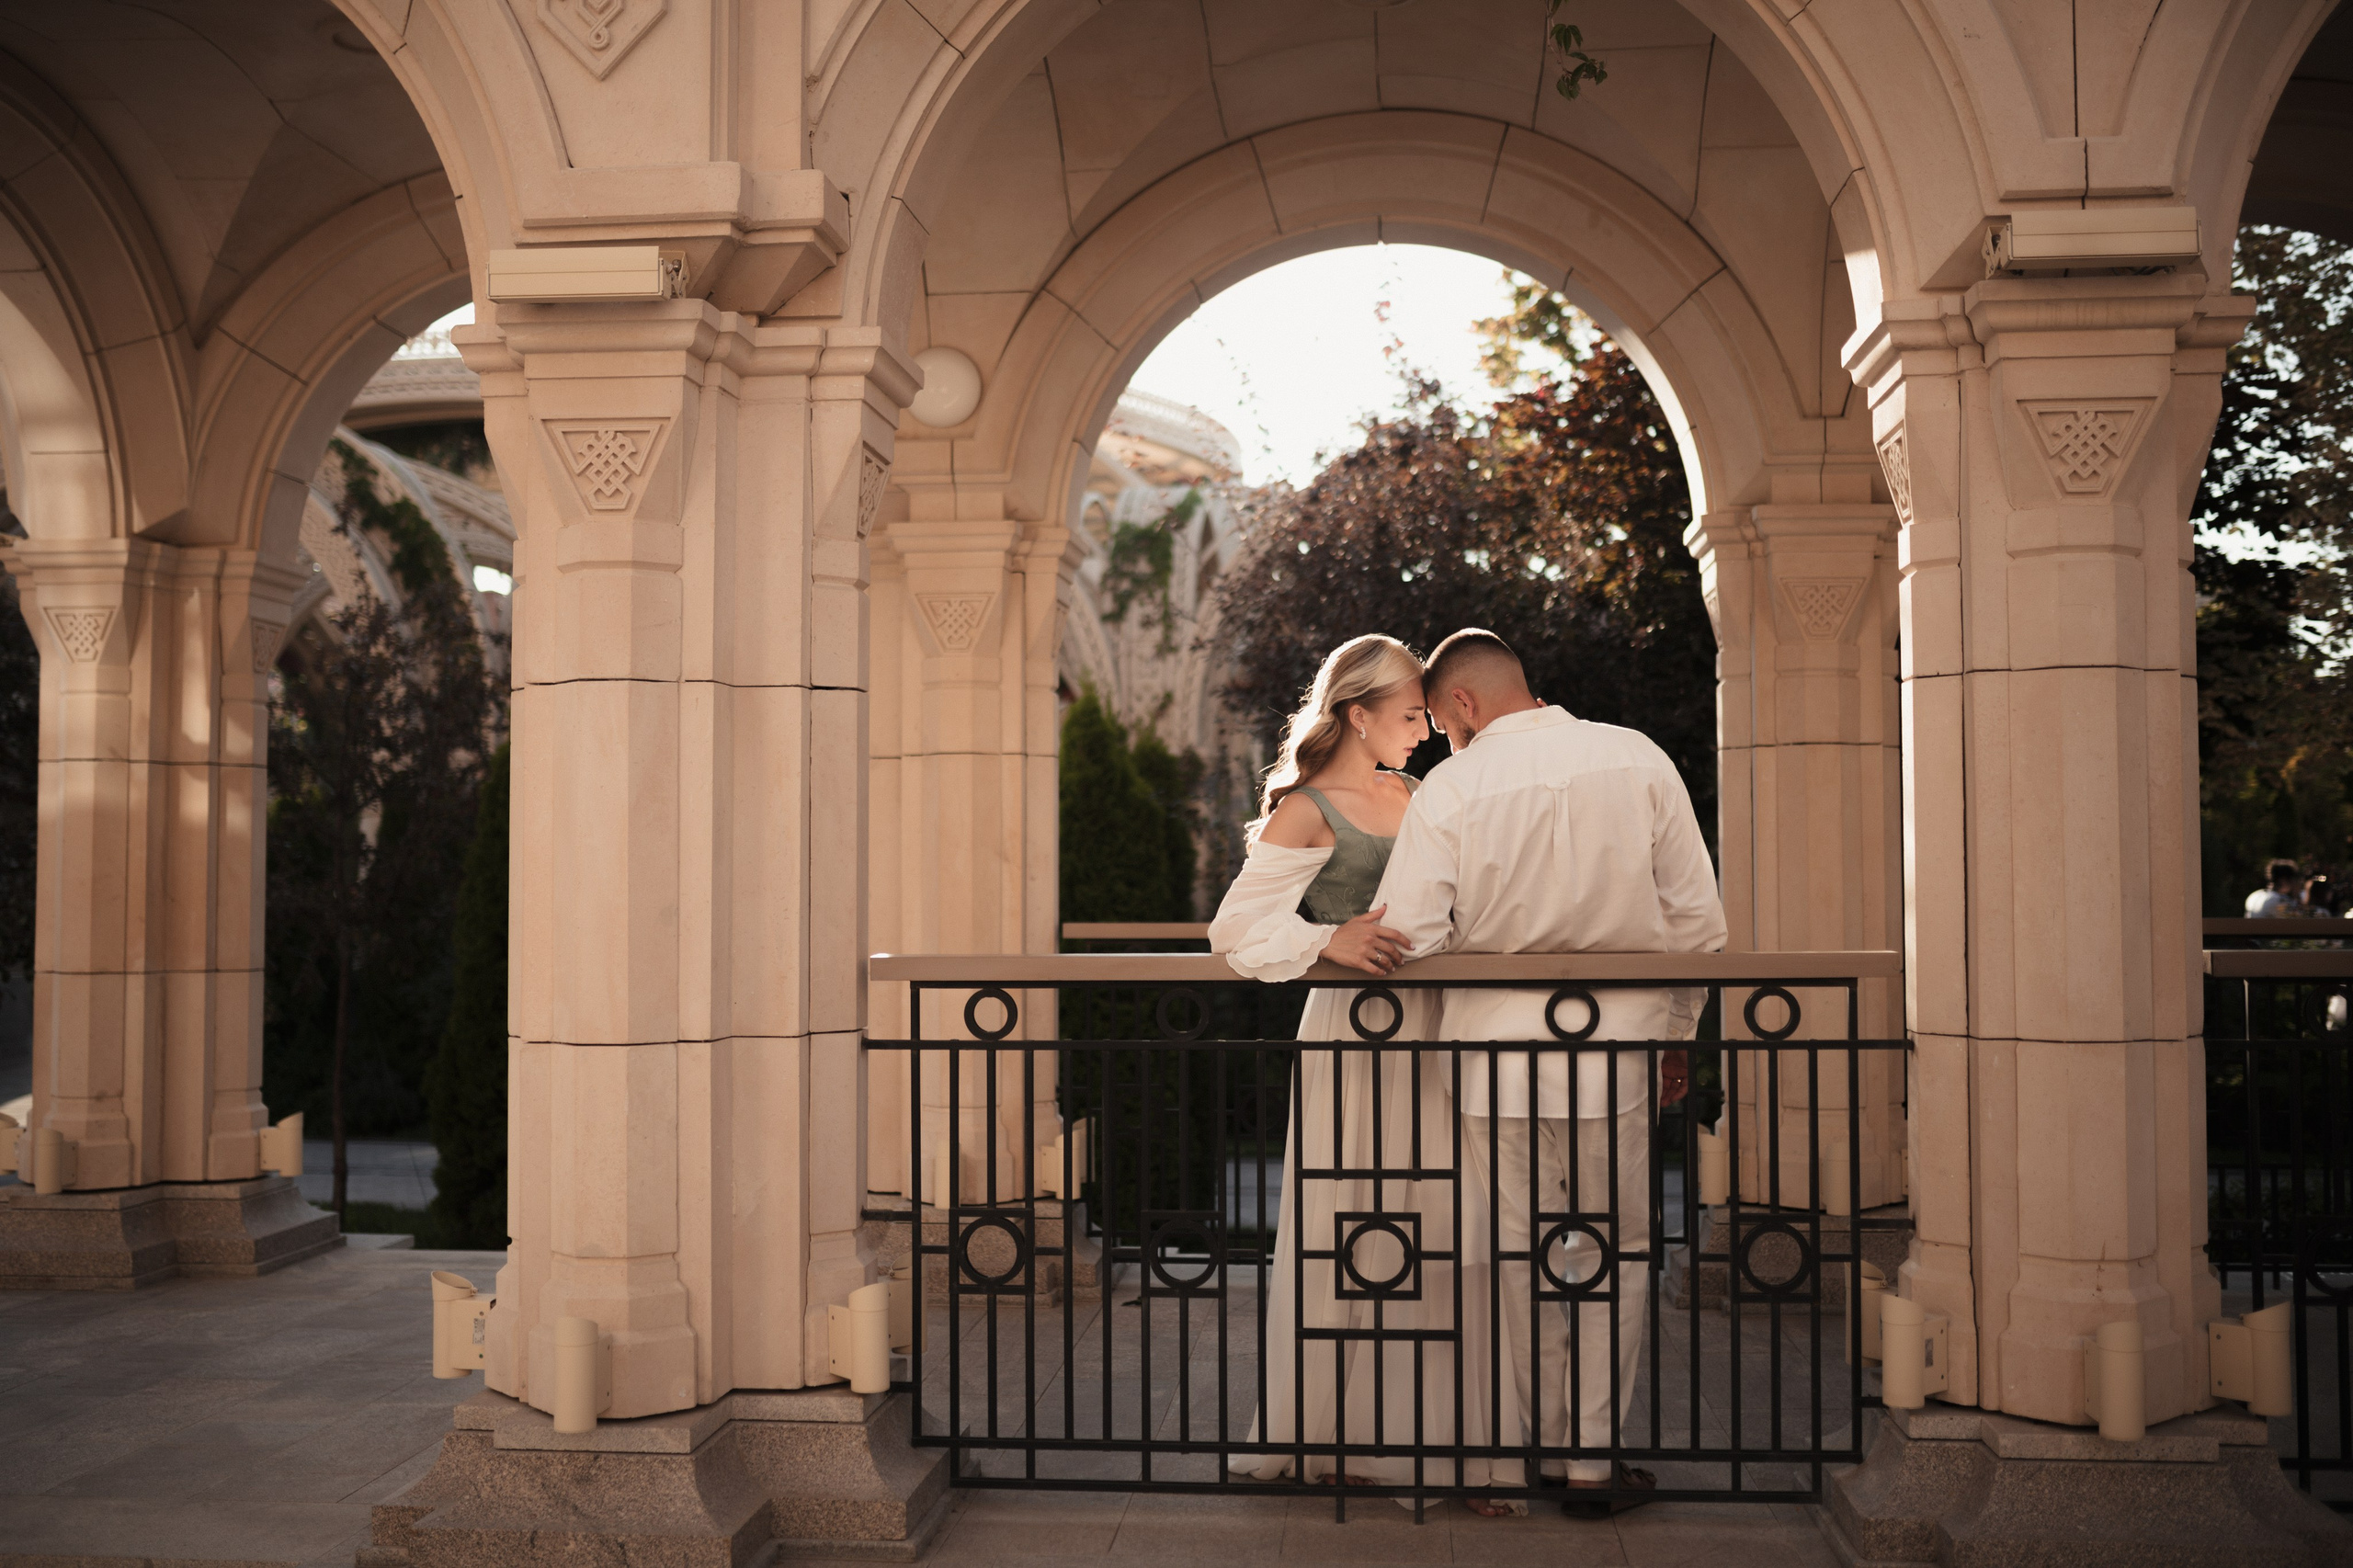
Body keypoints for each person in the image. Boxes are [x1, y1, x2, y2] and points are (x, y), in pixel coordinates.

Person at [1371, 629, 1726, 1517]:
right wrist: (1677, 1035)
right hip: (1619, 1045)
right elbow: (1696, 922)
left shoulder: (1454, 784)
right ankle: (1594, 1462)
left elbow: (1410, 933)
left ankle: (1532, 1447)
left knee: (1515, 1250)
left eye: (1444, 722)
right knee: (1622, 1249)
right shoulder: (1636, 758)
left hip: (1494, 1054)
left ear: (1463, 704)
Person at [1206, 632, 1452, 1497]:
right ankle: (1319, 1431)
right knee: (1347, 1216)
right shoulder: (1308, 806)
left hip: (1429, 1031)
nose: (1425, 727)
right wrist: (1330, 940)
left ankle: (1408, 1435)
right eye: (1413, 711)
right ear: (1359, 713)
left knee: (1427, 1218)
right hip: (1350, 1033)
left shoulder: (1423, 793)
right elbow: (1233, 933)